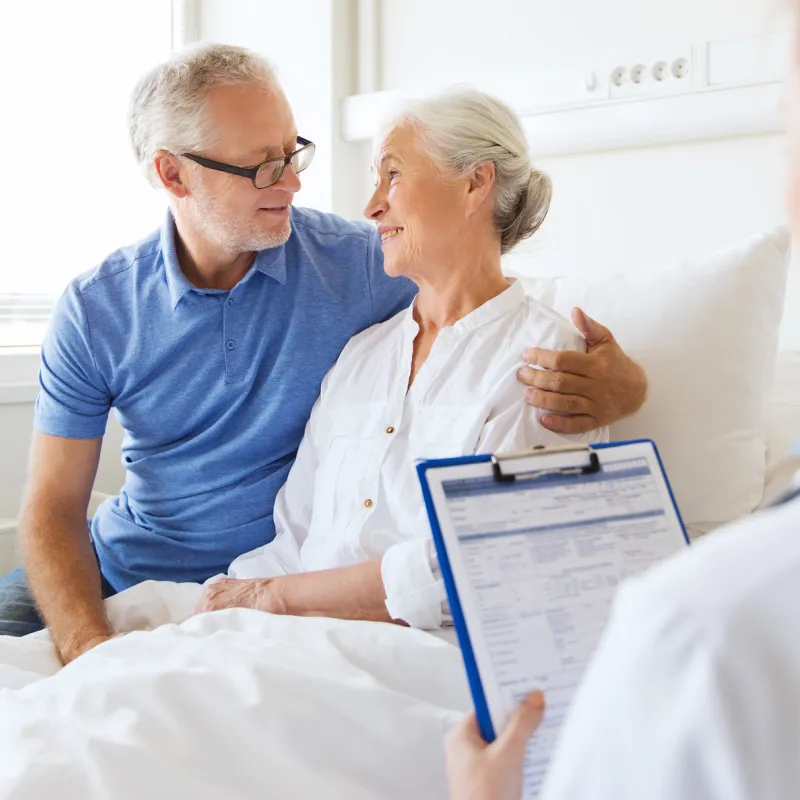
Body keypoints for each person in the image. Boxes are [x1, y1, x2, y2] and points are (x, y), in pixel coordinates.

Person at [0, 44, 645, 664]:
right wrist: (88, 650)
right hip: (122, 575)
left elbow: (481, 289)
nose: (293, 183)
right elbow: (53, 507)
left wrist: (629, 385)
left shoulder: (360, 262)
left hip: (274, 591)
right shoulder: (96, 308)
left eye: (292, 153)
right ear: (173, 173)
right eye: (262, 166)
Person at [445, 15, 800, 799]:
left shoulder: (703, 631)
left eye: (787, 142)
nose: (371, 205)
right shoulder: (365, 303)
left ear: (474, 187)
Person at [194, 90, 608, 625]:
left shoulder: (544, 363)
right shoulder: (362, 356)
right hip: (287, 637)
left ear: (474, 183)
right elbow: (294, 537)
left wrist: (275, 599)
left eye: (392, 175)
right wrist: (228, 604)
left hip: (411, 657)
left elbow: (473, 565)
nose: (370, 207)